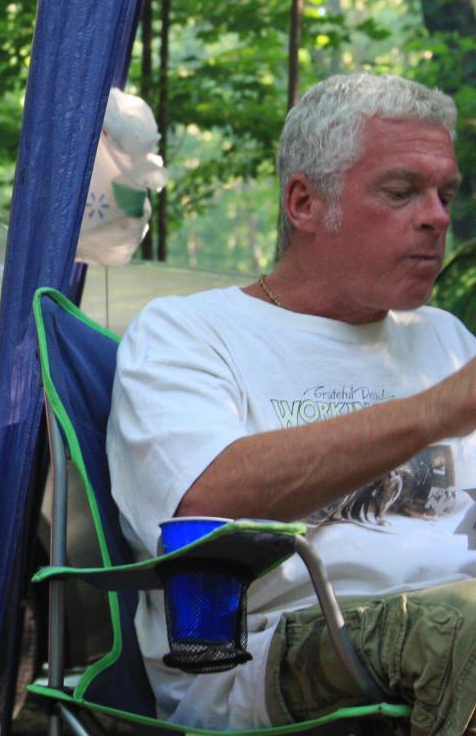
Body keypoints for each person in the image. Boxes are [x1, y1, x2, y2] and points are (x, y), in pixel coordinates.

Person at [108, 72, 476, 736]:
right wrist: (435, 411)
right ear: (305, 202)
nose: (438, 217)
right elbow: (199, 504)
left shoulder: (446, 339)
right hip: (269, 654)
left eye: (445, 193)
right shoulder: (188, 331)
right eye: (402, 192)